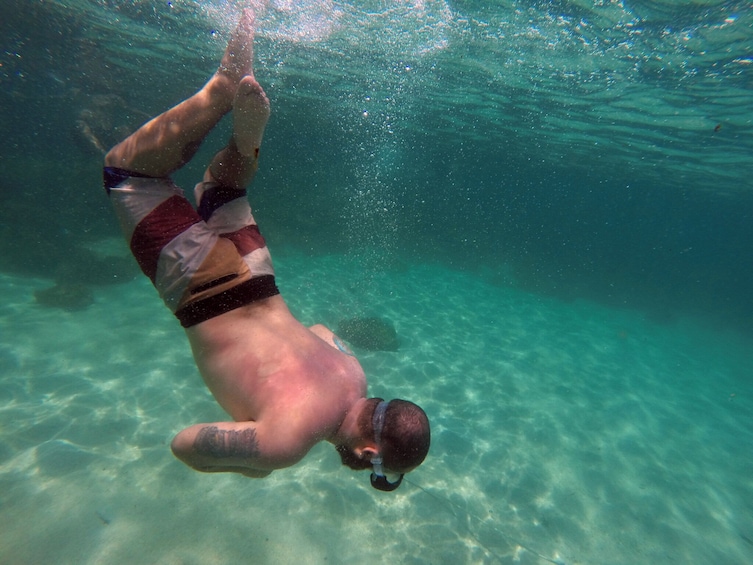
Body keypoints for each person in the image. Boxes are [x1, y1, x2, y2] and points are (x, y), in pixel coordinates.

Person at [103, 9, 430, 492]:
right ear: (369, 453)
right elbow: (185, 443)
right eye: (379, 472)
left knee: (221, 185)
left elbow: (319, 330)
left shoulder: (353, 374)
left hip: (258, 273)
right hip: (204, 289)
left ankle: (245, 140)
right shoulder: (286, 442)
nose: (370, 472)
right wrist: (256, 464)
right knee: (128, 172)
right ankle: (221, 89)